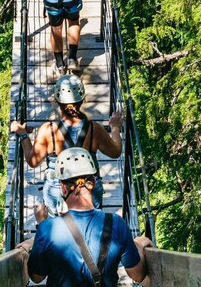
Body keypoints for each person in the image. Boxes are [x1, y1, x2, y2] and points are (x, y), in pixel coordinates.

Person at [19, 147, 151, 287]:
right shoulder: (117, 224)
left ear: (63, 189)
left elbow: (36, 277)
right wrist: (139, 244)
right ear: (93, 183)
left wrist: (26, 250)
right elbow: (137, 275)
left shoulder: (47, 228)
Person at [11, 74, 123, 218]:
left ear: (57, 100)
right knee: (91, 221)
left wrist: (23, 135)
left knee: (58, 225)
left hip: (58, 189)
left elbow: (32, 161)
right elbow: (116, 152)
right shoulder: (94, 129)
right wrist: (115, 128)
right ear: (82, 99)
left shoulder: (48, 130)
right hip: (88, 187)